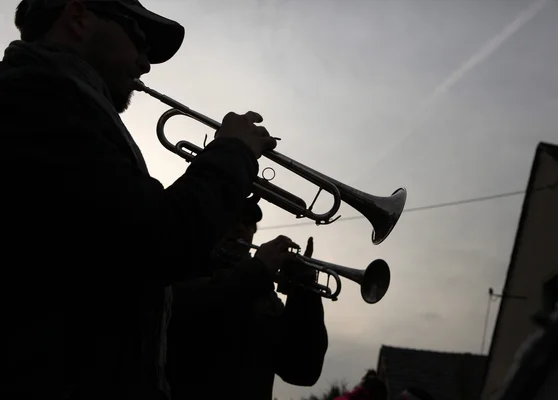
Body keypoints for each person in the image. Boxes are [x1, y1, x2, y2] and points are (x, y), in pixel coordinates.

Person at [0, 0, 277, 399]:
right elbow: (158, 238)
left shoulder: (61, 103)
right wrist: (232, 153)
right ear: (79, 18)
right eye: (139, 40)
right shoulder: (36, 97)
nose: (145, 63)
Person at [166, 198, 329, 400]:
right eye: (231, 218)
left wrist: (304, 293)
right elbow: (195, 305)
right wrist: (259, 270)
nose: (240, 228)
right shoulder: (180, 265)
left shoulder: (264, 293)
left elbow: (301, 371)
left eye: (248, 223)